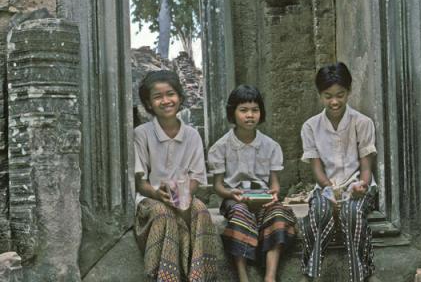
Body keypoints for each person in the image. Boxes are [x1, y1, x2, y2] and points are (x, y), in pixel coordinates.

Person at [134, 70, 217, 282]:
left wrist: (184, 195)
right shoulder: (142, 134)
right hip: (150, 199)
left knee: (201, 210)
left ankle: (200, 277)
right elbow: (140, 181)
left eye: (170, 94)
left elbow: (196, 177)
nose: (165, 101)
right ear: (149, 104)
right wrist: (157, 193)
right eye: (157, 96)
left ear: (179, 97)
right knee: (164, 214)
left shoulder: (191, 135)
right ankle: (164, 277)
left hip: (184, 196)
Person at [208, 85, 296, 282]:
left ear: (261, 113)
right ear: (233, 113)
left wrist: (273, 194)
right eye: (243, 110)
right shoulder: (220, 147)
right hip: (235, 199)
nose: (250, 115)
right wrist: (232, 195)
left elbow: (274, 184)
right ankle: (243, 276)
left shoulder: (271, 146)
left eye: (255, 110)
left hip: (263, 198)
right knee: (239, 215)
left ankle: (270, 276)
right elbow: (219, 186)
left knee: (279, 214)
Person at [300, 62, 377, 282]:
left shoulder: (362, 122)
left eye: (340, 95)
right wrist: (328, 189)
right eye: (328, 96)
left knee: (351, 213)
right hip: (326, 187)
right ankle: (311, 274)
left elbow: (366, 167)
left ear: (349, 92)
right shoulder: (310, 127)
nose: (334, 101)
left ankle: (363, 274)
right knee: (318, 213)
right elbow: (317, 169)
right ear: (320, 95)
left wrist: (361, 185)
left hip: (356, 186)